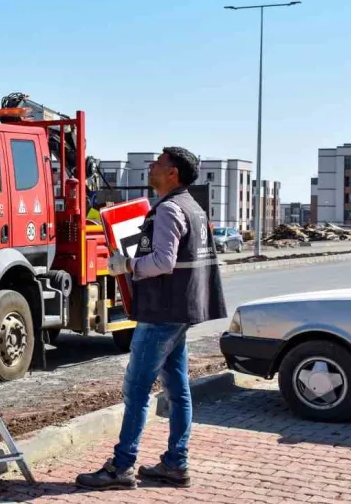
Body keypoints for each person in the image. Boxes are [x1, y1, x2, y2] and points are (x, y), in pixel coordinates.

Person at [76, 147, 227, 491]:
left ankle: (121, 467)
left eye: (158, 162)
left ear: (172, 173)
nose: (152, 166)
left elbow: (163, 262)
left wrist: (125, 265)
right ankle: (175, 464)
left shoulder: (170, 210)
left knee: (137, 390)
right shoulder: (193, 208)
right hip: (181, 310)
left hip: (161, 312)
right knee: (178, 389)